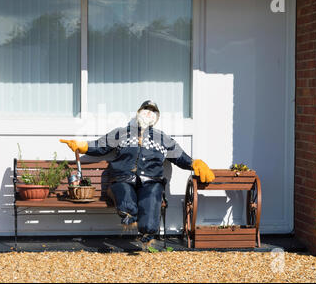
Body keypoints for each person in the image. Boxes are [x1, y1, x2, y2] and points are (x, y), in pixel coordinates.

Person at [60, 100, 215, 247]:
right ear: (139, 112)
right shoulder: (120, 133)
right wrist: (82, 146)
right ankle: (128, 213)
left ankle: (148, 232)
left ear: (156, 117)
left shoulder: (164, 138)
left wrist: (195, 163)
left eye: (153, 111)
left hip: (152, 180)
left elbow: (180, 157)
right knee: (124, 194)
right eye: (146, 109)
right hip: (122, 178)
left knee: (152, 197)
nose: (149, 113)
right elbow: (101, 146)